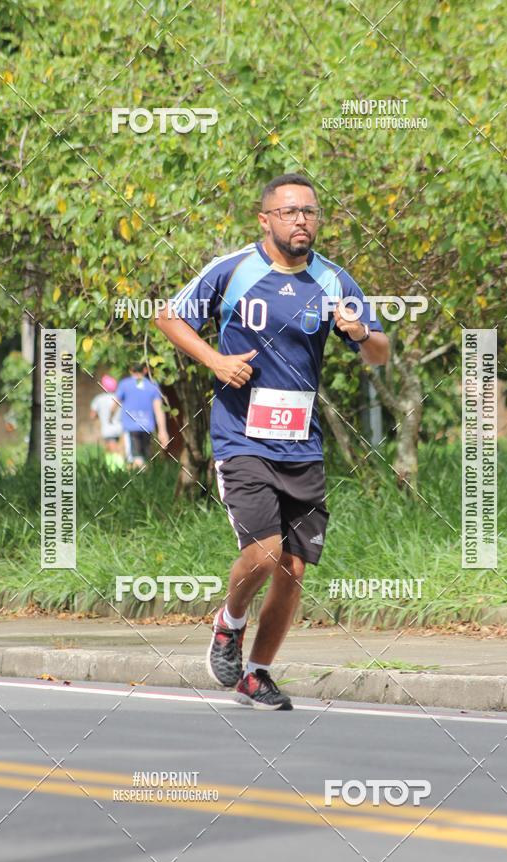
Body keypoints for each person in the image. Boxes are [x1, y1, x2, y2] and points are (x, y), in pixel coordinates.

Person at [155, 173, 389, 710]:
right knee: (263, 554)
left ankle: (256, 674)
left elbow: (380, 352)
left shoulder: (333, 280)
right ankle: (229, 622)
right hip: (241, 436)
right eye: (288, 212)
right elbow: (169, 316)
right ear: (265, 220)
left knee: (294, 568)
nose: (300, 220)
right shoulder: (235, 269)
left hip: (301, 442)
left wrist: (359, 333)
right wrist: (215, 360)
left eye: (309, 211)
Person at [114, 363, 169, 467]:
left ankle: (138, 481)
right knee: (146, 458)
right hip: (147, 427)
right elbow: (159, 409)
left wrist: (110, 416)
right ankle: (148, 480)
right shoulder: (153, 385)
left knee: (135, 459)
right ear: (145, 370)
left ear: (131, 370)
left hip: (131, 428)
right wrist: (162, 430)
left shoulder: (124, 384)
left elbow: (115, 402)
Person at [89, 374, 124, 469]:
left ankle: (115, 470)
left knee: (110, 450)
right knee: (119, 450)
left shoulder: (98, 399)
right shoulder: (120, 398)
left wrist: (99, 416)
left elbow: (92, 416)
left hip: (107, 429)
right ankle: (119, 469)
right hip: (121, 428)